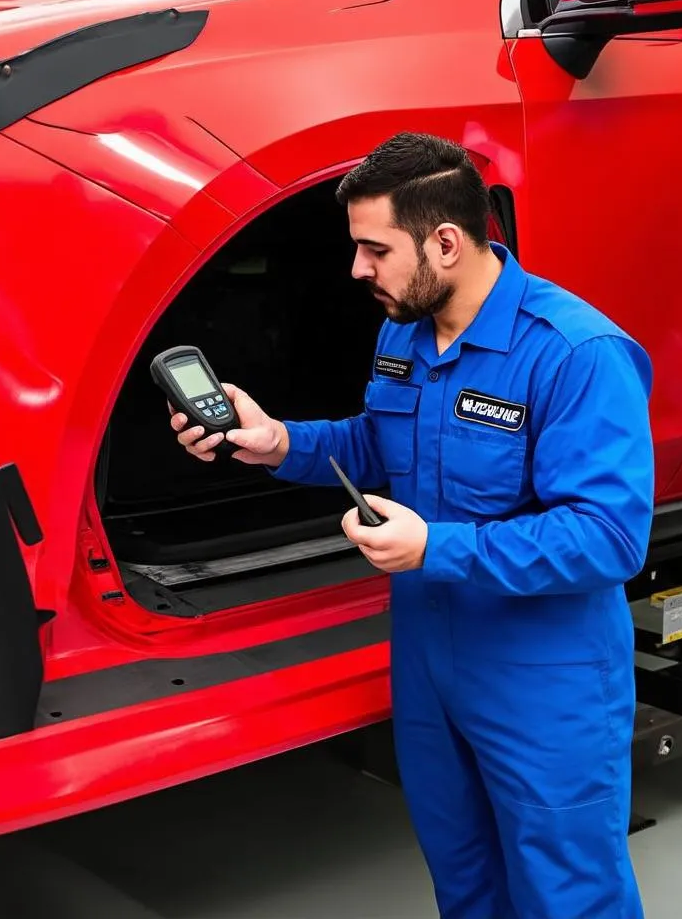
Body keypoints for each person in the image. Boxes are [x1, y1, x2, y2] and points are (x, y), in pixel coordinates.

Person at [170, 132, 654, 918]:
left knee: (568, 896)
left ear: (447, 242)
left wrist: (437, 546)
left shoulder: (575, 354)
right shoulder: (404, 331)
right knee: (464, 881)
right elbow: (378, 441)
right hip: (429, 664)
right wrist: (279, 442)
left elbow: (608, 536)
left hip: (544, 676)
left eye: (374, 249)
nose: (358, 270)